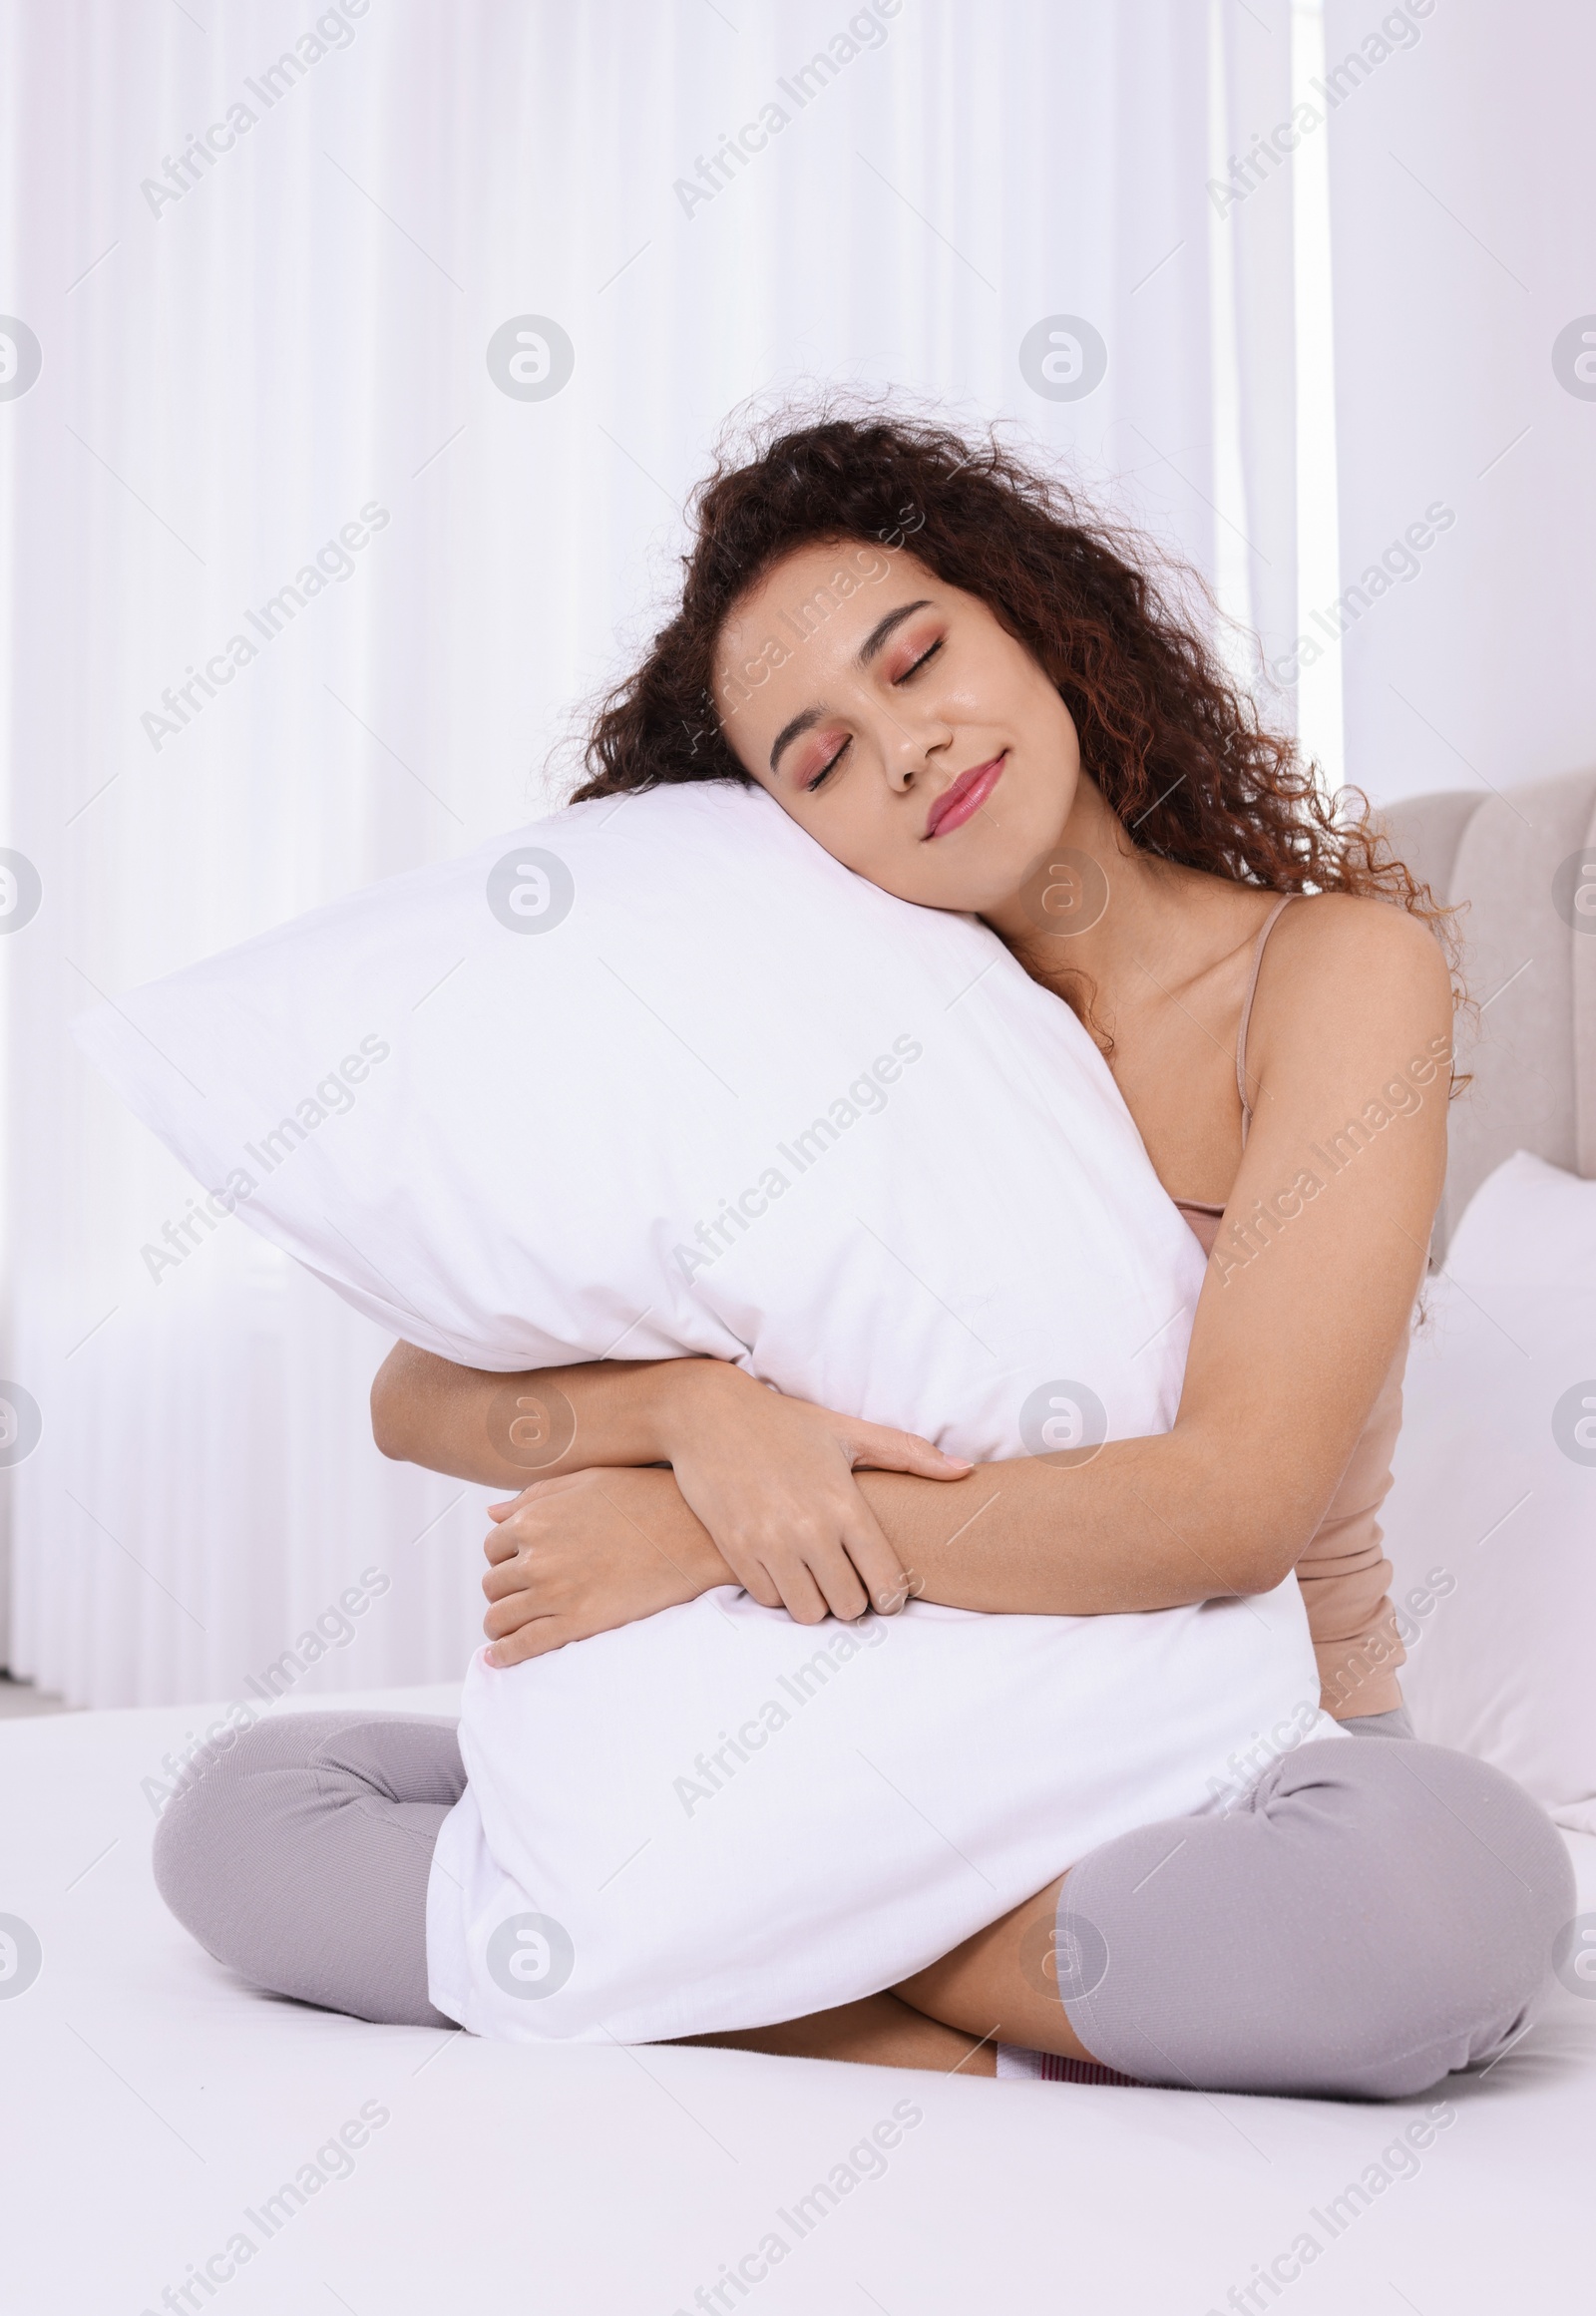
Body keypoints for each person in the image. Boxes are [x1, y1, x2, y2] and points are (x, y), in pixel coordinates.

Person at [155, 413, 1571, 2095]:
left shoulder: (1334, 973)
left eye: (918, 659)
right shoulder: (844, 1043)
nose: (904, 749)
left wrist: (711, 1533)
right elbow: (418, 1395)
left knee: (1446, 1905)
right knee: (241, 1813)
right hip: (857, 1745)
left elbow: (1238, 1504)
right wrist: (693, 1413)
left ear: (1039, 619)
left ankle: (787, 1973)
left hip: (1223, 1770)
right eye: (818, 761)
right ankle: (892, 1985)